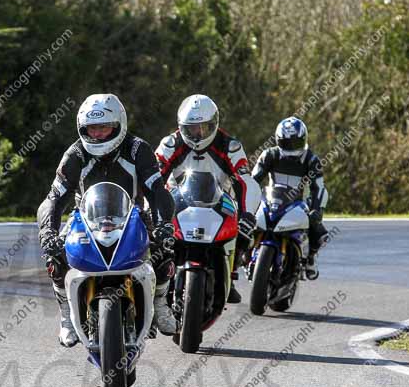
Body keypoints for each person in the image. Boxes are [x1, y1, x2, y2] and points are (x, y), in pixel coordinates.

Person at [37, 94, 176, 346]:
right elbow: (53, 199)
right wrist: (47, 231)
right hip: (83, 218)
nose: (98, 135)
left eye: (104, 128)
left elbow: (158, 191)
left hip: (133, 214)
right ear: (83, 129)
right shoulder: (75, 154)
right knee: (55, 258)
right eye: (92, 129)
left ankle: (160, 303)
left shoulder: (138, 149)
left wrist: (165, 224)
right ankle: (67, 316)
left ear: (118, 125)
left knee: (164, 247)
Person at [155, 94, 261, 303]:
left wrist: (248, 214)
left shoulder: (229, 146)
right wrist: (150, 208)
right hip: (178, 200)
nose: (197, 134)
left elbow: (245, 181)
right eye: (191, 128)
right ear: (181, 126)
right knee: (155, 238)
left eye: (203, 127)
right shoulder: (170, 143)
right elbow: (153, 178)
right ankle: (159, 281)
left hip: (218, 201)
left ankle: (229, 273)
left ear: (215, 123)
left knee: (244, 234)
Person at [251, 116, 329, 279]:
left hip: (298, 203)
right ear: (279, 141)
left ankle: (310, 259)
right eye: (287, 143)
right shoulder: (269, 155)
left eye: (295, 143)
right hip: (272, 200)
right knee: (243, 225)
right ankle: (238, 259)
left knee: (320, 234)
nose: (292, 147)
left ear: (303, 140)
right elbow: (252, 181)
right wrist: (248, 202)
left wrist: (317, 210)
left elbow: (319, 188)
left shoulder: (311, 160)